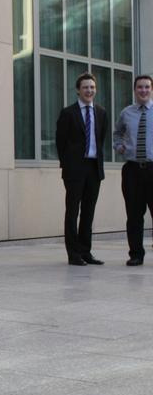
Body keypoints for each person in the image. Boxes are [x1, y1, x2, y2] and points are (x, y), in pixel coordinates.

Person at [55, 72, 107, 266]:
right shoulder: (68, 113)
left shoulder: (101, 112)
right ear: (78, 90)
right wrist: (67, 165)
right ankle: (73, 254)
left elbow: (100, 140)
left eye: (92, 87)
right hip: (74, 170)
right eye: (85, 87)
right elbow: (61, 142)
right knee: (72, 211)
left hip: (94, 168)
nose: (89, 90)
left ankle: (86, 251)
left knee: (89, 211)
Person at [113, 74, 153, 266]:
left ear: (151, 89)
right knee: (134, 215)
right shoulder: (126, 113)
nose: (143, 90)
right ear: (134, 90)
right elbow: (117, 133)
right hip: (132, 171)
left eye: (147, 87)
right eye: (140, 87)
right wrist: (119, 146)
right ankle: (136, 254)